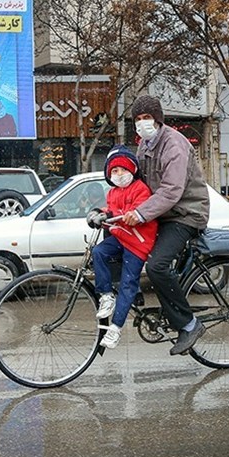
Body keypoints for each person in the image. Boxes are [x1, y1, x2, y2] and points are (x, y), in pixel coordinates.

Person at [121, 95, 211, 356]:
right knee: (122, 242)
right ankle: (132, 294)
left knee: (157, 265)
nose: (142, 124)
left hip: (185, 214)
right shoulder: (144, 146)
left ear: (158, 119)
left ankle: (189, 324)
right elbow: (137, 186)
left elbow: (172, 191)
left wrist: (140, 214)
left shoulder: (174, 144)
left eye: (146, 118)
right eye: (137, 120)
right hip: (163, 213)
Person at [86, 145, 158, 349]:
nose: (119, 174)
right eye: (115, 171)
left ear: (132, 171)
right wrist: (97, 212)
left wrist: (116, 216)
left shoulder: (141, 189)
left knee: (128, 284)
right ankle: (106, 295)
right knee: (98, 252)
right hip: (121, 237)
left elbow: (134, 212)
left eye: (123, 170)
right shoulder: (112, 192)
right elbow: (111, 209)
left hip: (138, 242)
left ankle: (116, 328)